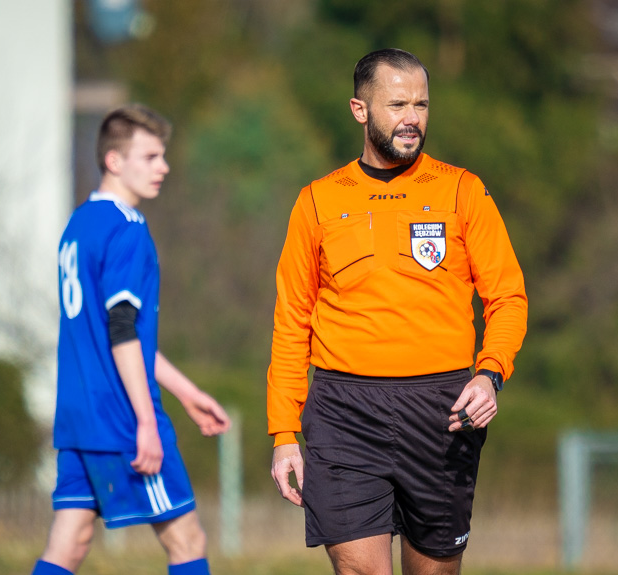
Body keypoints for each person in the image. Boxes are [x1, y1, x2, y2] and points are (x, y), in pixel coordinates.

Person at [267, 49, 528, 574]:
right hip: (344, 410)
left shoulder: (462, 191)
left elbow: (507, 297)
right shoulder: (317, 201)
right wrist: (284, 434)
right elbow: (291, 321)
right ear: (360, 110)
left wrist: (489, 373)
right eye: (397, 105)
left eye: (422, 105)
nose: (412, 118)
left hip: (442, 409)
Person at [31, 105, 230, 575]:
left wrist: (187, 392)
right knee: (187, 540)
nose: (163, 167)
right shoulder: (127, 228)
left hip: (78, 417)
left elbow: (118, 334)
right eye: (151, 156)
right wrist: (146, 420)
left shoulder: (78, 225)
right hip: (121, 416)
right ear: (115, 161)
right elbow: (122, 330)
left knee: (71, 542)